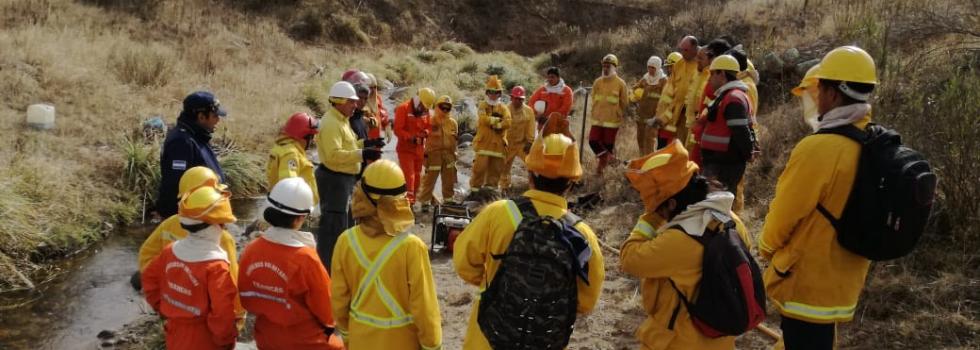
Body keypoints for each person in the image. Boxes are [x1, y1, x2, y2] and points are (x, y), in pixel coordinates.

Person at [759, 46, 880, 350]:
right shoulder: (873, 140)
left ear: (833, 93)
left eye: (819, 88)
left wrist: (766, 248)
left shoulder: (819, 148)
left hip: (808, 282)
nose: (815, 97)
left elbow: (785, 213)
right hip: (846, 277)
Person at [453, 133, 605, 349]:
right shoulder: (582, 235)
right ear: (571, 184)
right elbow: (586, 301)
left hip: (488, 338)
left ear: (530, 174)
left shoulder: (498, 213)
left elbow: (463, 264)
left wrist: (500, 285)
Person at [620, 140, 753, 350]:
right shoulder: (731, 220)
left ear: (672, 204)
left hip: (678, 341)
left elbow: (629, 259)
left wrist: (649, 220)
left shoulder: (680, 239)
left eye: (658, 206)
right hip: (721, 342)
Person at [331, 160, 442, 350]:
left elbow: (339, 301)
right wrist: (432, 346)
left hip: (360, 342)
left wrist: (348, 338)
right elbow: (425, 308)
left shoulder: (346, 241)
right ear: (399, 202)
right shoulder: (411, 247)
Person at [238, 178, 344, 350]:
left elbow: (246, 297)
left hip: (265, 337)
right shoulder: (306, 258)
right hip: (306, 342)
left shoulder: (251, 249)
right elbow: (327, 312)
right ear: (300, 218)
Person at [141, 186, 240, 350]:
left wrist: (163, 308)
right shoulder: (216, 266)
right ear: (213, 227)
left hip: (174, 332)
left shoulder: (169, 251)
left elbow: (149, 280)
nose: (224, 228)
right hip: (205, 339)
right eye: (223, 224)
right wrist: (226, 341)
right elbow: (222, 313)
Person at [316, 81, 383, 271]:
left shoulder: (342, 120)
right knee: (333, 227)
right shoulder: (331, 123)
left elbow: (348, 147)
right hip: (334, 179)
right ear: (339, 101)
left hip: (343, 179)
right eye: (351, 102)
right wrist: (362, 154)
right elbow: (333, 155)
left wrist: (366, 144)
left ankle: (340, 263)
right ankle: (328, 269)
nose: (356, 105)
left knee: (343, 223)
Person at [136, 167, 238, 291]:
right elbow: (232, 280)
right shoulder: (223, 238)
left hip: (173, 296)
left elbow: (146, 255)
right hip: (200, 302)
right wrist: (239, 310)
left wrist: (160, 285)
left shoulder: (170, 223)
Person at [156, 91, 228, 218]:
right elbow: (175, 186)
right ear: (201, 117)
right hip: (190, 221)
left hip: (203, 216)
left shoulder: (197, 135)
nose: (218, 120)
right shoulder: (181, 142)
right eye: (215, 115)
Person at [698, 55, 755, 203]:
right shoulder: (727, 96)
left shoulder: (733, 98)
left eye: (712, 73)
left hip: (724, 166)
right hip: (719, 163)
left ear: (722, 74)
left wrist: (748, 153)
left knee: (717, 208)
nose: (709, 78)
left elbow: (741, 131)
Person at [655, 36, 701, 148]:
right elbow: (669, 92)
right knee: (678, 149)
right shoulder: (679, 65)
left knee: (689, 148)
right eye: (681, 49)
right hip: (677, 116)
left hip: (693, 116)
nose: (683, 53)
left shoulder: (702, 65)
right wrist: (662, 117)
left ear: (695, 49)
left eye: (686, 50)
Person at [394, 87, 436, 205]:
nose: (424, 108)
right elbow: (397, 130)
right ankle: (407, 203)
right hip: (405, 150)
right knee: (409, 176)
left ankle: (412, 200)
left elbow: (429, 126)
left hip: (419, 149)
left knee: (417, 177)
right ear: (419, 100)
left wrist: (425, 134)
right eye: (423, 105)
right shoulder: (403, 108)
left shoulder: (425, 110)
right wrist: (411, 138)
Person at [470, 75, 512, 193]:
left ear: (500, 94)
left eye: (496, 92)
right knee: (479, 169)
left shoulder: (503, 108)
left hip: (498, 146)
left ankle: (490, 191)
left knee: (496, 170)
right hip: (484, 144)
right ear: (487, 93)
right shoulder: (483, 105)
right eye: (491, 92)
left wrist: (498, 125)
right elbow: (483, 119)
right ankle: (474, 190)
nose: (493, 94)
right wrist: (496, 120)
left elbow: (508, 122)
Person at [589, 53, 629, 175]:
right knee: (593, 142)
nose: (605, 68)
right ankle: (613, 160)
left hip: (612, 122)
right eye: (604, 66)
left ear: (614, 67)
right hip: (597, 120)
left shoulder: (620, 83)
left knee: (607, 146)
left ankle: (600, 172)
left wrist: (617, 113)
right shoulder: (597, 82)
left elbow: (624, 103)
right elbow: (594, 98)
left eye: (608, 66)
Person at [417, 95, 459, 210]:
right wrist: (423, 155)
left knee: (448, 180)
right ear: (437, 106)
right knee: (429, 180)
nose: (445, 110)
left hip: (449, 155)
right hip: (433, 155)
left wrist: (455, 154)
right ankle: (425, 202)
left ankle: (448, 200)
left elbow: (455, 140)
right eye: (442, 107)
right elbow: (421, 136)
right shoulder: (430, 120)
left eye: (447, 108)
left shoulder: (453, 123)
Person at [267, 112, 319, 202]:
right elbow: (290, 185)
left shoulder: (282, 147)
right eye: (311, 136)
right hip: (292, 208)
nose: (312, 140)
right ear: (304, 136)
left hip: (283, 204)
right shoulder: (291, 154)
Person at [500, 86, 536, 190]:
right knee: (504, 167)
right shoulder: (505, 110)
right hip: (508, 144)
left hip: (522, 144)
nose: (518, 101)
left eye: (520, 99)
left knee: (532, 164)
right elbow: (501, 127)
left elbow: (531, 127)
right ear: (511, 98)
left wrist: (530, 142)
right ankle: (504, 187)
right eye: (516, 98)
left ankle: (533, 187)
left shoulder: (528, 111)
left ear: (523, 99)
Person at [631, 55, 667, 155]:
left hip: (653, 117)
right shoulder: (645, 79)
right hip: (641, 115)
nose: (650, 70)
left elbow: (666, 99)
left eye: (653, 68)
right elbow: (634, 89)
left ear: (658, 67)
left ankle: (649, 163)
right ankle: (641, 161)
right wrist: (634, 95)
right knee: (640, 139)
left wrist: (658, 115)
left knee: (649, 141)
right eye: (649, 67)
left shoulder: (663, 81)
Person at [528, 66, 574, 137]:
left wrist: (550, 118)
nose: (550, 79)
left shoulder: (567, 91)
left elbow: (566, 108)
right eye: (548, 77)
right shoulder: (542, 89)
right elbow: (531, 102)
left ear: (558, 77)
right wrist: (536, 115)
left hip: (559, 125)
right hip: (543, 125)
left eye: (552, 77)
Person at [364, 73, 392, 142]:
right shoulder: (357, 103)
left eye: (375, 87)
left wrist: (387, 125)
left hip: (376, 141)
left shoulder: (377, 98)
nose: (373, 90)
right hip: (363, 143)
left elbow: (382, 112)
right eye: (370, 87)